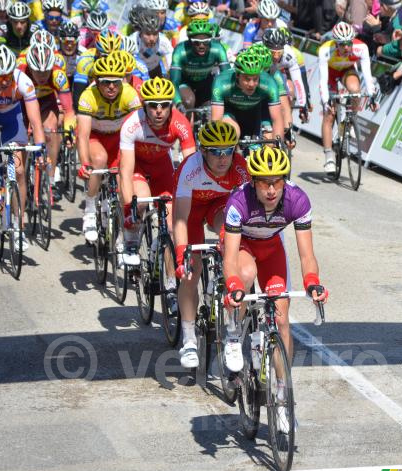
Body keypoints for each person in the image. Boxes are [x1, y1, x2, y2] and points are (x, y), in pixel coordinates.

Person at [222, 145, 328, 432]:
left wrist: (312, 281)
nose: (271, 190)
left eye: (277, 181)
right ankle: (233, 333)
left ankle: (282, 398)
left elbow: (307, 255)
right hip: (241, 246)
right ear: (253, 182)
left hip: (271, 249)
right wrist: (232, 285)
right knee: (245, 273)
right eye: (265, 183)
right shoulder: (238, 202)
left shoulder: (297, 200)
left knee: (281, 321)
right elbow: (230, 259)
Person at [172, 120, 250, 369]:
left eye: (228, 150)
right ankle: (189, 338)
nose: (223, 157)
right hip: (191, 212)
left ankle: (231, 325)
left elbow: (242, 213)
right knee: (191, 272)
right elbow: (181, 218)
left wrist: (228, 240)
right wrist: (182, 254)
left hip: (219, 206)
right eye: (216, 151)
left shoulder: (240, 169)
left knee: (231, 237)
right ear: (203, 151)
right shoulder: (190, 168)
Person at [0, 44, 47, 252]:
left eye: (7, 76)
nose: (4, 81)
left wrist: (40, 148)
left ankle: (18, 225)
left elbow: (35, 120)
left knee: (20, 171)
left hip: (13, 118)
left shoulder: (23, 81)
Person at [118, 77, 196, 265]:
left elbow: (192, 166)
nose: (159, 111)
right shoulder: (132, 124)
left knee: (171, 225)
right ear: (144, 106)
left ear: (171, 106)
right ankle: (130, 239)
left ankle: (167, 278)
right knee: (141, 199)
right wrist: (130, 209)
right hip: (138, 166)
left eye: (164, 105)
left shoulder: (180, 123)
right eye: (153, 105)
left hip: (162, 168)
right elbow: (126, 172)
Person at [75, 52, 142, 243]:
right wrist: (84, 163)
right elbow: (83, 134)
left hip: (120, 138)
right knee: (98, 160)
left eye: (116, 82)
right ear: (96, 81)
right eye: (105, 82)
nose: (111, 87)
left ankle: (123, 233)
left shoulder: (130, 94)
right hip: (96, 138)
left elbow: (139, 127)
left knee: (124, 181)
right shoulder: (88, 95)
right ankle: (89, 208)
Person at [18, 42, 75, 203]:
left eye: (46, 72)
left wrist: (70, 131)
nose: (42, 76)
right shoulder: (20, 73)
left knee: (51, 130)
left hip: (46, 103)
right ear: (30, 67)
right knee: (21, 138)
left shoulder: (58, 76)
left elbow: (69, 109)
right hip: (22, 103)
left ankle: (50, 179)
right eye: (38, 71)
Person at [318, 21, 377, 174]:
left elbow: (367, 76)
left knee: (356, 90)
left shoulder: (361, 48)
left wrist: (372, 96)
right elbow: (322, 80)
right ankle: (329, 156)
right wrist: (326, 101)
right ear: (335, 43)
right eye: (342, 44)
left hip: (347, 71)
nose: (346, 48)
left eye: (348, 43)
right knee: (329, 115)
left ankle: (349, 122)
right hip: (330, 75)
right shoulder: (325, 50)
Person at [210, 48, 284, 141]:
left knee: (268, 143)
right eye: (246, 79)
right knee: (232, 134)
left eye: (255, 79)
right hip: (230, 112)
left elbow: (277, 119)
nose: (251, 84)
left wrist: (278, 148)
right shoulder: (222, 81)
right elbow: (216, 120)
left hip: (254, 112)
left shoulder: (269, 83)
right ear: (237, 75)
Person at [170, 18, 229, 111]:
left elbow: (227, 77)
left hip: (205, 82)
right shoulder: (180, 50)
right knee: (188, 102)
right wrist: (178, 103)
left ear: (211, 40)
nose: (201, 46)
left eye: (206, 42)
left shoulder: (218, 49)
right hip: (185, 82)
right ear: (189, 40)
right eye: (196, 42)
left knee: (210, 109)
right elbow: (174, 82)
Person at [131, 10, 172, 80]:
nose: (152, 38)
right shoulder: (132, 41)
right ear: (140, 32)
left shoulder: (164, 41)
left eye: (155, 34)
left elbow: (172, 66)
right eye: (147, 34)